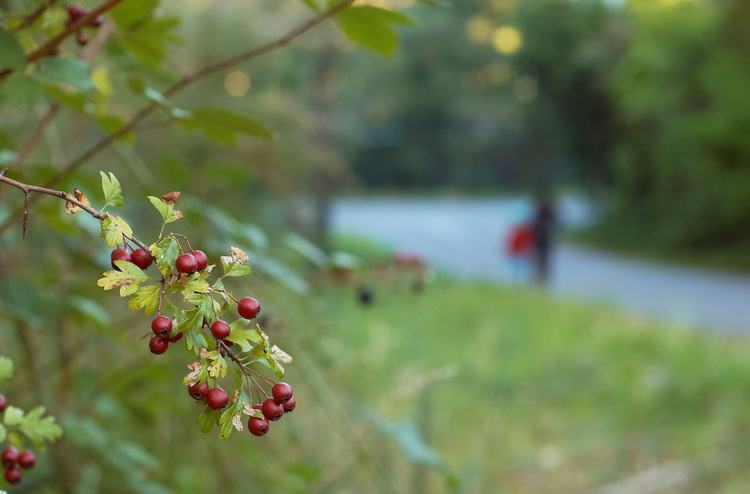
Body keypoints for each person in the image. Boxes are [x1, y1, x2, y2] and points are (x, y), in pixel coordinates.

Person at [531, 192, 556, 285]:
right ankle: (542, 276)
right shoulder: (542, 214)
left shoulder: (544, 214)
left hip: (542, 238)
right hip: (541, 238)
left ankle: (542, 276)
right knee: (542, 257)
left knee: (542, 257)